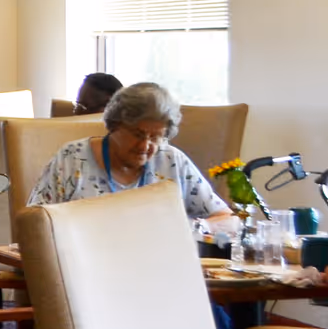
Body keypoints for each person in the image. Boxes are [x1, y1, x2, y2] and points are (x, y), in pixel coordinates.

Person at [28, 82, 233, 231]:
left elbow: (227, 219)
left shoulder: (171, 161)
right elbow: (34, 223)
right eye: (137, 134)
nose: (145, 146)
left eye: (155, 137)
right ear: (114, 125)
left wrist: (196, 227)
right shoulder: (72, 159)